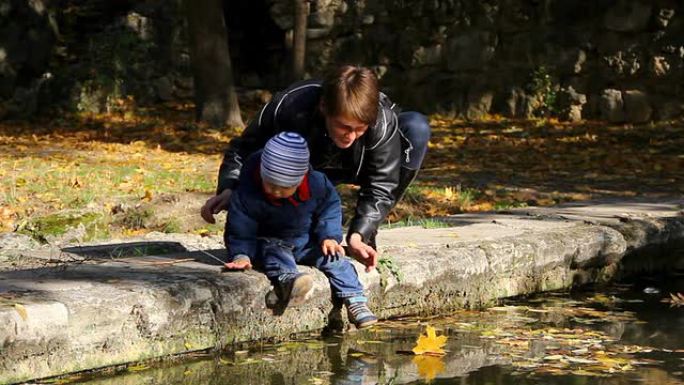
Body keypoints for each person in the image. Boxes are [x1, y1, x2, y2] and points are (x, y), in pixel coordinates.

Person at [202, 65, 431, 272]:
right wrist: (229, 187)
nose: (351, 136)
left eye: (360, 129)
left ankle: (364, 236)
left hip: (357, 167)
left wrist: (360, 233)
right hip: (302, 172)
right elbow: (244, 149)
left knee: (416, 128)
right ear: (324, 107)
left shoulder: (382, 121)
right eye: (344, 126)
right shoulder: (290, 106)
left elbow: (382, 184)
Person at [223, 132, 377, 329]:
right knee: (273, 252)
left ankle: (355, 300)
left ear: (300, 179)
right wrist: (241, 254)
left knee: (335, 259)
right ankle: (290, 281)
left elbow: (329, 209)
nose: (276, 192)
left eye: (285, 187)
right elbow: (239, 226)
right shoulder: (248, 193)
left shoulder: (317, 185)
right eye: (270, 184)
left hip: (306, 241)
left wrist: (329, 236)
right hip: (271, 241)